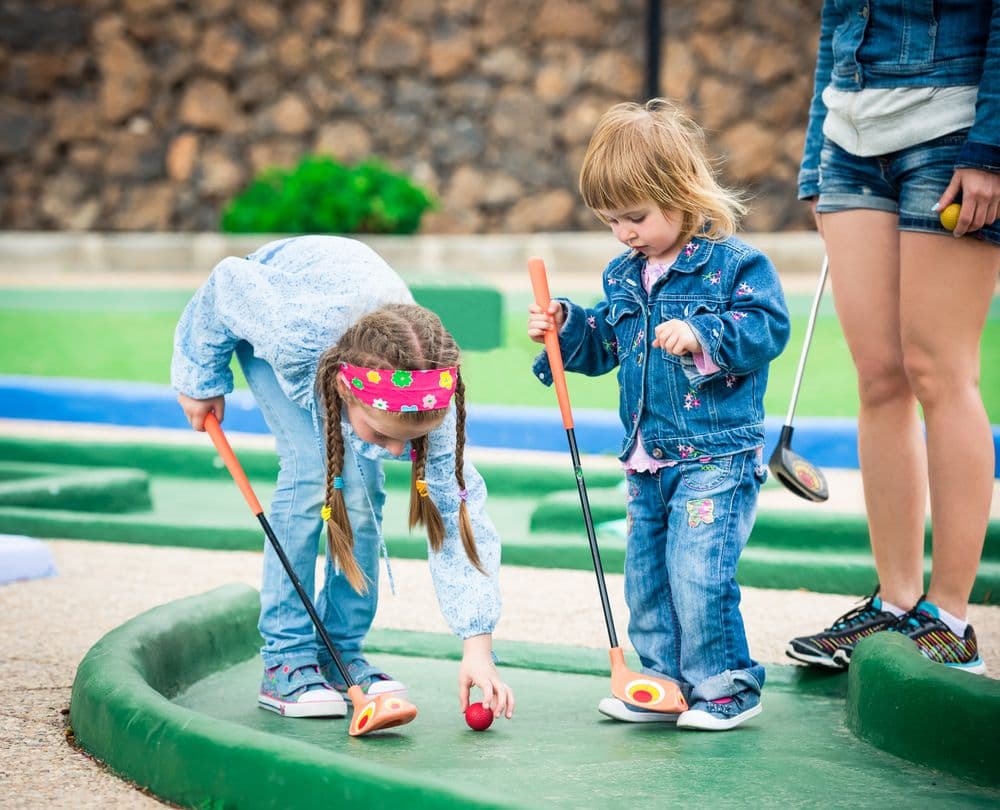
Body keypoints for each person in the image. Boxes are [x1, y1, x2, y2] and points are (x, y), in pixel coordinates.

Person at [171, 235, 515, 720]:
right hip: (278, 298)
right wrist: (199, 378)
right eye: (382, 433)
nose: (398, 451)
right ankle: (285, 662)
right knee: (312, 473)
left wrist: (477, 647)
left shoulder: (431, 396)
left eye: (407, 441)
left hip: (352, 327)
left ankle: (340, 654)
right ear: (345, 393)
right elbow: (227, 283)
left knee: (363, 489)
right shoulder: (290, 334)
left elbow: (461, 518)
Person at [528, 99, 791, 731]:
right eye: (613, 220)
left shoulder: (734, 265)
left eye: (636, 217)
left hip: (715, 455)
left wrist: (703, 333)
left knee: (698, 573)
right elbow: (606, 346)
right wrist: (567, 328)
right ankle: (663, 680)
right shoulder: (624, 275)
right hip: (647, 457)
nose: (625, 233)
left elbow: (767, 327)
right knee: (645, 576)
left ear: (680, 193)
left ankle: (725, 683)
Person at [787, 0, 999, 675]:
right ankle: (898, 599)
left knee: (938, 370)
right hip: (848, 142)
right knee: (880, 375)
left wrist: (992, 151)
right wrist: (815, 163)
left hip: (955, 131)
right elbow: (835, 22)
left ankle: (949, 617)